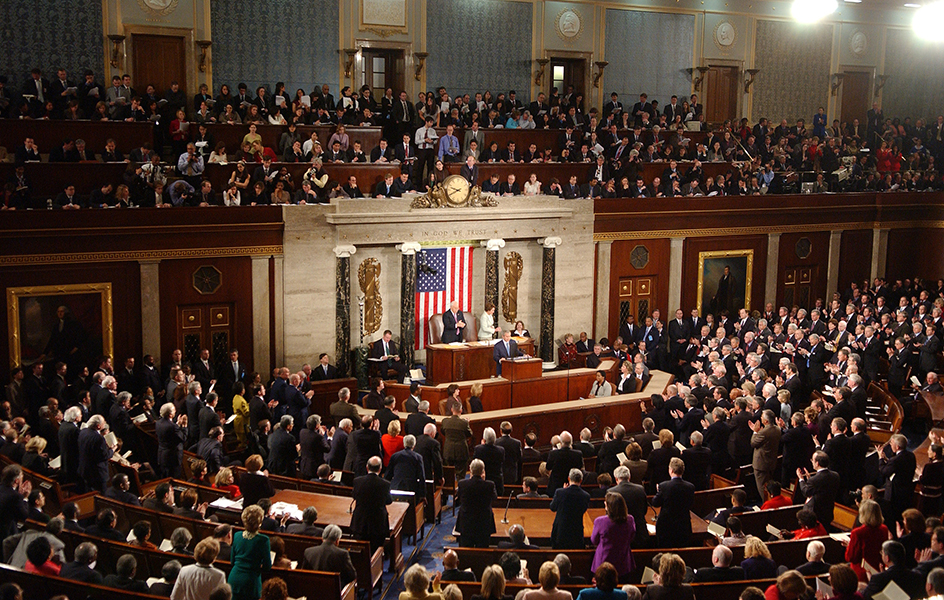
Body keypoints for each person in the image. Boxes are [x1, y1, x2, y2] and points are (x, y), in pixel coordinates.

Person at [227, 505, 271, 600]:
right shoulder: (263, 540)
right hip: (251, 581)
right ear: (260, 522)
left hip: (234, 578)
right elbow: (267, 566)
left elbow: (232, 561)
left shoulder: (237, 535)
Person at [591, 493, 636, 581]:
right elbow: (632, 537)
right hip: (623, 561)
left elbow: (594, 540)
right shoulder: (630, 519)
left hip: (604, 560)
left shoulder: (600, 521)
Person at [651, 458, 694, 548]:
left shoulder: (663, 486)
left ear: (671, 470)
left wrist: (658, 491)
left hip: (666, 526)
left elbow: (655, 503)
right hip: (683, 524)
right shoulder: (690, 487)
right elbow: (690, 504)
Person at [351, 456, 392, 551]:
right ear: (380, 469)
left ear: (367, 467)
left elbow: (354, 496)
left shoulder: (357, 481)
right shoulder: (385, 484)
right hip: (378, 524)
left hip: (360, 522)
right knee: (375, 550)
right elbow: (388, 501)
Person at [846, 499, 890, 581]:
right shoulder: (884, 529)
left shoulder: (858, 532)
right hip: (879, 570)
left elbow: (851, 557)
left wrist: (849, 545)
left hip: (862, 573)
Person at [457, 458, 497, 547]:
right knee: (483, 552)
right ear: (483, 471)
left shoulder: (462, 484)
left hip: (466, 522)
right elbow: (494, 498)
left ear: (470, 470)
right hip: (484, 523)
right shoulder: (490, 485)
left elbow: (459, 498)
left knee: (465, 551)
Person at [798, 451, 840, 529]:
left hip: (816, 514)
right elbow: (821, 488)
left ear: (817, 463)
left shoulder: (814, 480)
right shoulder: (835, 475)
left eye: (812, 460)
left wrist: (801, 479)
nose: (812, 462)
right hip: (828, 512)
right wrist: (810, 479)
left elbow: (806, 492)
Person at [551, 468, 591, 549]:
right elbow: (583, 509)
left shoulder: (560, 492)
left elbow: (553, 507)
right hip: (576, 530)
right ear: (581, 480)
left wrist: (563, 490)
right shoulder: (586, 496)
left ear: (569, 478)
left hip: (560, 530)